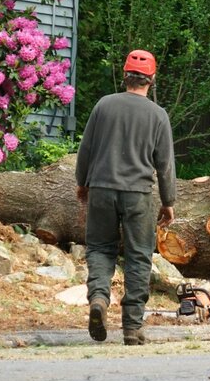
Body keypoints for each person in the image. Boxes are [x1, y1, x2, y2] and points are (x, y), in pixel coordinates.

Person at [75, 49, 176, 346]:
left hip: (102, 190)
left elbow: (86, 149)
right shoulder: (158, 115)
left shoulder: (103, 106)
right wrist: (169, 201)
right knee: (138, 256)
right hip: (138, 195)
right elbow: (165, 164)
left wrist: (82, 182)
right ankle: (132, 328)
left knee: (100, 249)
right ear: (152, 79)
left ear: (125, 75)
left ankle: (99, 299)